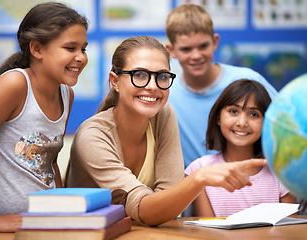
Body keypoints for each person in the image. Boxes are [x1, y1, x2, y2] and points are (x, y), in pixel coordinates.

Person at [66, 36, 267, 226]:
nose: (153, 86)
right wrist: (199, 178)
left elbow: (167, 202)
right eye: (140, 75)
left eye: (162, 76)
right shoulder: (92, 135)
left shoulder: (163, 113)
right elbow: (146, 210)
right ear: (115, 81)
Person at [0, 2, 89, 235]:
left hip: (37, 226)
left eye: (84, 48)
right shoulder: (14, 85)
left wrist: (60, 210)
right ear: (37, 49)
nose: (80, 57)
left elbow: (48, 162)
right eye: (70, 48)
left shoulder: (66, 94)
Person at [165, 4, 278, 169]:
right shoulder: (166, 92)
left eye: (203, 46)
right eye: (186, 49)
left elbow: (285, 124)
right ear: (172, 51)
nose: (196, 55)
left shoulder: (249, 80)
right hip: (194, 189)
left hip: (249, 183)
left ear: (215, 42)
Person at [185, 79, 296, 217]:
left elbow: (289, 232)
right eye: (233, 111)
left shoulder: (281, 172)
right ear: (218, 118)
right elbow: (206, 231)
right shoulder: (200, 170)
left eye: (254, 114)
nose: (242, 123)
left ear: (266, 122)